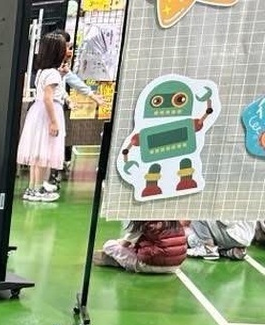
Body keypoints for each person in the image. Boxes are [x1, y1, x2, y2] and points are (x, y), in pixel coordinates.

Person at [46, 30, 107, 189]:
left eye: (70, 47)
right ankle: (42, 182)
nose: (69, 51)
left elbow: (71, 82)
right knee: (47, 144)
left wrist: (90, 95)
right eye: (66, 47)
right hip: (48, 111)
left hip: (56, 108)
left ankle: (50, 177)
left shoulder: (62, 67)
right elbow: (51, 92)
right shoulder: (50, 69)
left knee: (56, 143)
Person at [17, 33, 69, 203]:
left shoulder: (43, 72)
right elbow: (48, 98)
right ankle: (38, 188)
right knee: (43, 154)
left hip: (38, 112)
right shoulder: (53, 74)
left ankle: (33, 187)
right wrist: (53, 121)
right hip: (48, 114)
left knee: (37, 154)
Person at [95, 220, 187, 274]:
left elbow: (124, 244)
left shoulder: (144, 223)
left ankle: (119, 261)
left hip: (149, 266)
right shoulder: (175, 222)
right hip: (175, 266)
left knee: (109, 245)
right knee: (134, 246)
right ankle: (121, 261)